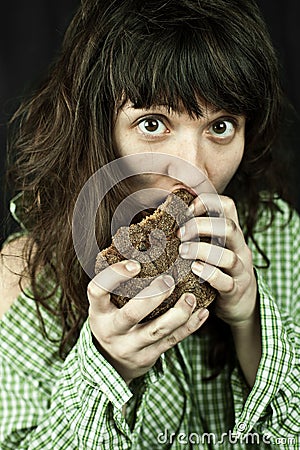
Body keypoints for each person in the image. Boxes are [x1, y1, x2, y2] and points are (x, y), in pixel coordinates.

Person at [0, 0, 299, 448]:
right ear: (99, 126)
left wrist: (250, 321)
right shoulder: (25, 277)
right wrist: (109, 367)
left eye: (220, 127)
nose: (191, 167)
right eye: (153, 123)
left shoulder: (280, 233)